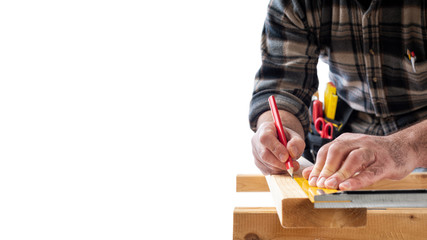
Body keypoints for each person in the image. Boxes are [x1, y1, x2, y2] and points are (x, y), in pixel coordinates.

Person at [250, 0, 427, 191]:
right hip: (344, 151)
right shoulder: (295, 3)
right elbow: (283, 86)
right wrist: (279, 132)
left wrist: (403, 147)